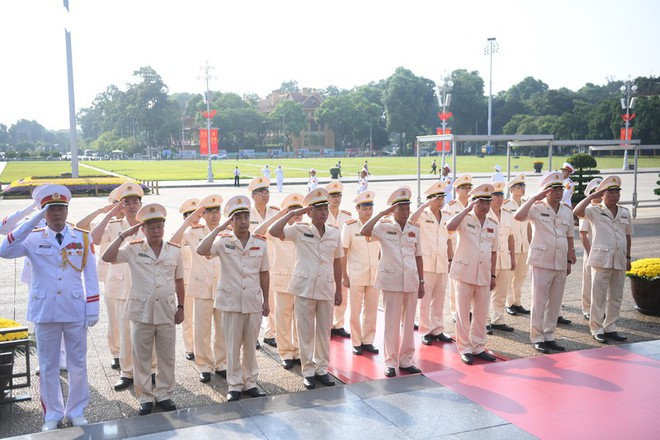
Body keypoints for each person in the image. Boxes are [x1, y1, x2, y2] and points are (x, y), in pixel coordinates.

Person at [0, 184, 99, 431]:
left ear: (67, 210)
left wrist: (93, 308)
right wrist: (33, 216)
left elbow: (91, 276)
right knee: (48, 365)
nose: (56, 213)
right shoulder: (32, 237)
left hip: (74, 308)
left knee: (77, 363)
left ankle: (76, 411)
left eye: (60, 208)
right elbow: (4, 250)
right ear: (44, 212)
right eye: (51, 209)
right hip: (45, 311)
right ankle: (52, 414)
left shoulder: (82, 237)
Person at [102, 203, 185, 416]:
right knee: (141, 356)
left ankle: (163, 393)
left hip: (167, 310)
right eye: (151, 227)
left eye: (159, 226)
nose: (156, 230)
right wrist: (124, 235)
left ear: (164, 227)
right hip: (142, 311)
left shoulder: (174, 250)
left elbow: (179, 281)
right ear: (143, 229)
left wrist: (181, 307)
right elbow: (107, 257)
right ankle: (145, 396)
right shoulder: (133, 248)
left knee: (167, 357)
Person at [196, 195, 270, 401]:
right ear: (231, 221)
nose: (244, 221)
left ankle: (250, 382)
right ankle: (235, 384)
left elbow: (264, 273)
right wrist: (219, 229)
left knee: (250, 345)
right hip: (230, 303)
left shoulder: (260, 243)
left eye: (246, 216)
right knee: (232, 345)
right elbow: (201, 250)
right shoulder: (223, 242)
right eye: (238, 217)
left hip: (253, 301)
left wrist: (267, 301)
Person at [268, 188, 343, 390]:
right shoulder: (299, 229)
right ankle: (308, 370)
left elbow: (337, 262)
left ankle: (322, 369)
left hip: (326, 287)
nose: (324, 213)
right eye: (318, 210)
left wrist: (339, 289)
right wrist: (292, 214)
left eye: (325, 209)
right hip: (304, 287)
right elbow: (274, 232)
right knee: (305, 331)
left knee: (323, 330)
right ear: (309, 212)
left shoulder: (335, 232)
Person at [361, 187, 423, 378]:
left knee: (409, 323)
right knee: (391, 323)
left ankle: (406, 360)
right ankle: (390, 361)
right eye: (401, 208)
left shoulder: (414, 229)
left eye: (407, 208)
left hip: (411, 280)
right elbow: (365, 230)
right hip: (392, 281)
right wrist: (381, 213)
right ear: (393, 210)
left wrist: (421, 281)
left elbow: (418, 256)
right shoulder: (384, 226)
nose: (405, 212)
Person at [514, 172, 576, 354]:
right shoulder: (537, 207)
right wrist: (534, 198)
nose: (558, 192)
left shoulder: (566, 209)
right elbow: (518, 216)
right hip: (541, 261)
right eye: (554, 189)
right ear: (545, 191)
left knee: (555, 302)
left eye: (560, 189)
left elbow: (569, 234)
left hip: (560, 261)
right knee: (539, 302)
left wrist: (570, 254)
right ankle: (537, 337)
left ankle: (549, 336)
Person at [91, 181, 144, 391]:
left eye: (135, 201)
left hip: (144, 285)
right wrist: (110, 212)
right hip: (120, 286)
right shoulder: (113, 226)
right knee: (122, 329)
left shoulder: (148, 225)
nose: (132, 205)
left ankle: (150, 371)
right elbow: (94, 239)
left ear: (141, 203)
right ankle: (127, 371)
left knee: (147, 330)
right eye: (127, 202)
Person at [171, 195, 226, 382]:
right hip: (202, 286)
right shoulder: (194, 232)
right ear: (203, 215)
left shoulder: (226, 231)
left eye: (218, 211)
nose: (215, 215)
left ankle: (222, 363)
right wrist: (189, 219)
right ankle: (204, 365)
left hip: (223, 287)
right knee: (202, 329)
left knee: (223, 329)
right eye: (210, 212)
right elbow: (174, 240)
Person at [573, 176, 632, 343]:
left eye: (617, 192)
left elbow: (628, 236)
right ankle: (596, 327)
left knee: (616, 295)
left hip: (619, 258)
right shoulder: (594, 210)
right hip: (601, 259)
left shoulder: (624, 212)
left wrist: (628, 257)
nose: (615, 195)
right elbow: (577, 212)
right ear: (603, 194)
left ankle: (610, 327)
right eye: (611, 192)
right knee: (598, 296)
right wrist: (592, 196)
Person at [446, 183, 499, 365]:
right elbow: (449, 227)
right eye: (481, 203)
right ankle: (465, 348)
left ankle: (478, 347)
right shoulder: (465, 219)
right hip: (465, 272)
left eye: (488, 203)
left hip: (484, 274)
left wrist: (493, 275)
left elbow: (494, 251)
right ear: (474, 203)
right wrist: (467, 208)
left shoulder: (493, 224)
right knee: (463, 313)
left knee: (481, 313)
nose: (485, 206)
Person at [254, 194, 305, 369]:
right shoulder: (276, 230)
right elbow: (257, 233)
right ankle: (286, 353)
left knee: (301, 319)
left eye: (299, 210)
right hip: (283, 278)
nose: (297, 214)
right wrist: (278, 216)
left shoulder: (306, 228)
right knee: (283, 319)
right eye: (292, 211)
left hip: (302, 280)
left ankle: (299, 352)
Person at [409, 181, 454, 346]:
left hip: (441, 262)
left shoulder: (447, 215)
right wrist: (424, 206)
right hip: (426, 264)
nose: (441, 201)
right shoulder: (423, 215)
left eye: (442, 198)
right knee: (425, 300)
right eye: (437, 198)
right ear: (429, 200)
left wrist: (450, 259)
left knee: (439, 298)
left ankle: (438, 329)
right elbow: (410, 222)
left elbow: (449, 240)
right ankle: (425, 330)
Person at [342, 190, 381, 355]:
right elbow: (344, 252)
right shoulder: (350, 226)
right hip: (356, 274)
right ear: (357, 208)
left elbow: (380, 249)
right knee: (355, 310)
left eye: (370, 208)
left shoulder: (377, 226)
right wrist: (344, 276)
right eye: (364, 208)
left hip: (374, 274)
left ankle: (368, 340)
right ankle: (356, 342)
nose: (368, 212)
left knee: (371, 310)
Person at [247, 177, 280, 348]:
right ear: (253, 196)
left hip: (272, 258)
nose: (265, 195)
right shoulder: (246, 213)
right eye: (261, 192)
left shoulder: (274, 212)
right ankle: (253, 337)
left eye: (267, 192)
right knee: (253, 299)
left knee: (272, 297)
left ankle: (270, 333)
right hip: (252, 261)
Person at [442, 174, 473, 322]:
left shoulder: (474, 206)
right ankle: (455, 310)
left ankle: (469, 310)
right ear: (457, 190)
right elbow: (447, 234)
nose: (468, 190)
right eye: (465, 188)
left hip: (470, 250)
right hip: (455, 250)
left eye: (469, 188)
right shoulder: (451, 207)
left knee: (471, 282)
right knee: (455, 284)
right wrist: (449, 256)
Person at [173, 198, 201, 362]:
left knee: (203, 319)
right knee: (188, 317)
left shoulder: (204, 232)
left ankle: (202, 347)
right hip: (185, 282)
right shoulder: (181, 234)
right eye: (190, 216)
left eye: (197, 215)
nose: (195, 218)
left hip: (202, 280)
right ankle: (190, 348)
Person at [487, 181, 516, 335]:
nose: (499, 198)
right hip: (489, 260)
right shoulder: (485, 214)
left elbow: (511, 236)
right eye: (495, 195)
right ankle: (484, 321)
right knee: (485, 292)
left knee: (501, 292)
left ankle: (498, 319)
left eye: (501, 195)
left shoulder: (507, 214)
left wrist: (513, 257)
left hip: (504, 258)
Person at [325, 180, 352, 338]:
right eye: (333, 196)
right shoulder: (322, 214)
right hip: (327, 258)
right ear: (327, 198)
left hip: (343, 259)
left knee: (343, 293)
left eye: (339, 195)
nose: (336, 199)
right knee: (327, 294)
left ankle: (338, 324)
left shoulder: (347, 216)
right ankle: (326, 325)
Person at [503, 174, 531, 316]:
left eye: (524, 186)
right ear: (512, 189)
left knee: (521, 276)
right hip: (512, 246)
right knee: (509, 276)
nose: (523, 189)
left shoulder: (526, 204)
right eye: (520, 187)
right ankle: (509, 303)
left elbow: (529, 226)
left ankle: (517, 302)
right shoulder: (506, 205)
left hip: (524, 245)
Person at [576, 178, 603, 320]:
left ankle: (599, 308)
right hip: (591, 250)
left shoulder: (605, 209)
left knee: (600, 283)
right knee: (588, 281)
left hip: (603, 252)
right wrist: (590, 252)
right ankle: (587, 308)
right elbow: (583, 234)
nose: (598, 195)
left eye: (600, 192)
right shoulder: (587, 210)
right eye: (595, 192)